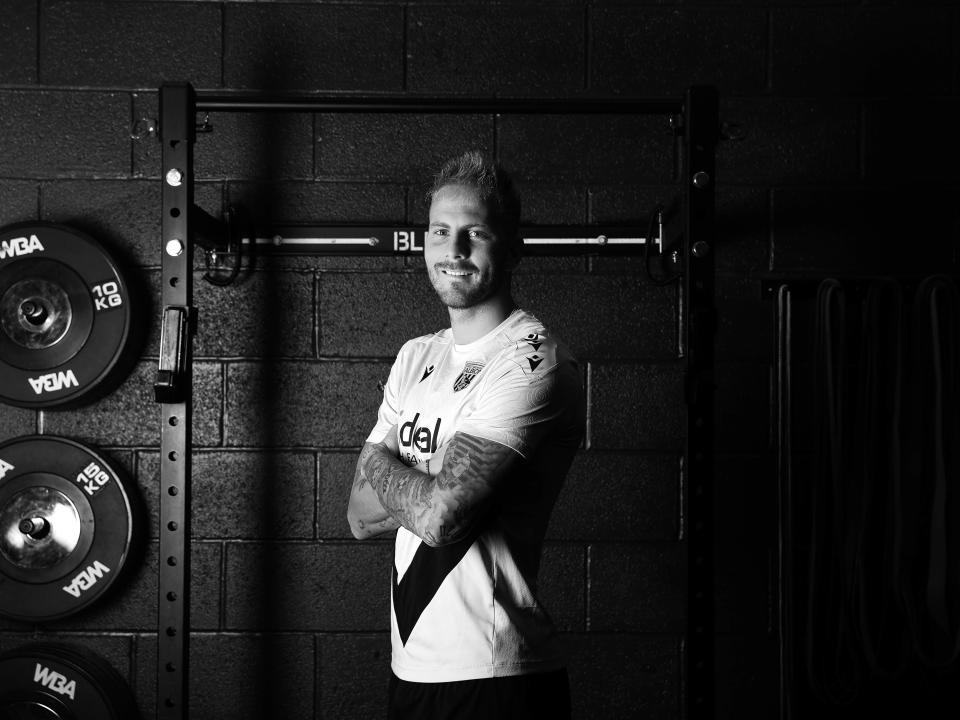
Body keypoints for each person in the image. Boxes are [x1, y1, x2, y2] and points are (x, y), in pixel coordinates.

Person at [347, 150, 585, 719]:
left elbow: (439, 519)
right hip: (411, 667)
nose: (453, 252)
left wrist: (384, 459)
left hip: (495, 673)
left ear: (512, 244)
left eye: (474, 232)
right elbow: (357, 516)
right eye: (439, 231)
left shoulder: (532, 360)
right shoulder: (416, 356)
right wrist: (428, 482)